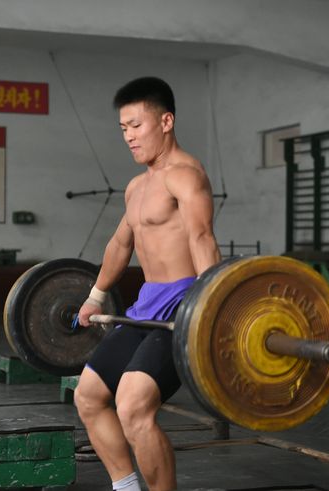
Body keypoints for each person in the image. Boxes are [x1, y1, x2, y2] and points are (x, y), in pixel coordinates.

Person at [74, 77, 221, 491]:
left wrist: (209, 310)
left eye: (136, 125)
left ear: (167, 121)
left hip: (184, 306)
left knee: (132, 407)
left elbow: (202, 238)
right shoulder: (137, 187)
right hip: (145, 308)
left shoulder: (186, 176)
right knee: (87, 396)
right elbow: (122, 243)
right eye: (124, 129)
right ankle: (126, 487)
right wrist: (95, 295)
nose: (129, 137)